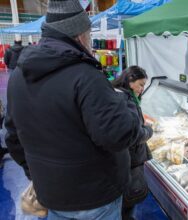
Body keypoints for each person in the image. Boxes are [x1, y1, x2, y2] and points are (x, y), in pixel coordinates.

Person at [5, 0, 143, 219]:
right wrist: (129, 106)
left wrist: (39, 175)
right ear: (80, 35)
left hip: (50, 194)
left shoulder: (19, 76)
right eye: (89, 33)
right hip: (95, 197)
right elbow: (119, 135)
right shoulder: (85, 76)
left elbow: (13, 137)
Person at [112, 66, 153, 220]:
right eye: (141, 84)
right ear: (130, 81)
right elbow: (133, 135)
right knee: (131, 195)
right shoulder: (126, 100)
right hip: (131, 158)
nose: (142, 89)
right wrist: (149, 131)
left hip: (122, 156)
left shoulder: (116, 93)